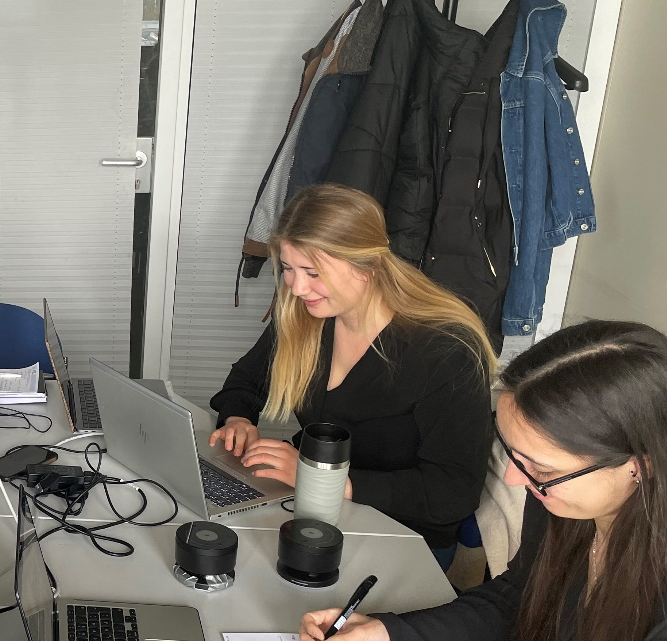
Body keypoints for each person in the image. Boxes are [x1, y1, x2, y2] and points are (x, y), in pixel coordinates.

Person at [237, 320, 667, 641]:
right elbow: (519, 598)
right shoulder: (567, 503)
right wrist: (393, 637)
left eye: (540, 466)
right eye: (513, 453)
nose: (515, 480)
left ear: (640, 466)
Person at [209, 184, 495, 568]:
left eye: (313, 272)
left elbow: (453, 491)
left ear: (368, 266)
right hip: (311, 511)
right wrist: (238, 418)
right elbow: (246, 380)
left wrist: (323, 481)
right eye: (289, 269)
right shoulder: (306, 316)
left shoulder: (445, 349)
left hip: (402, 532)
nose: (296, 287)